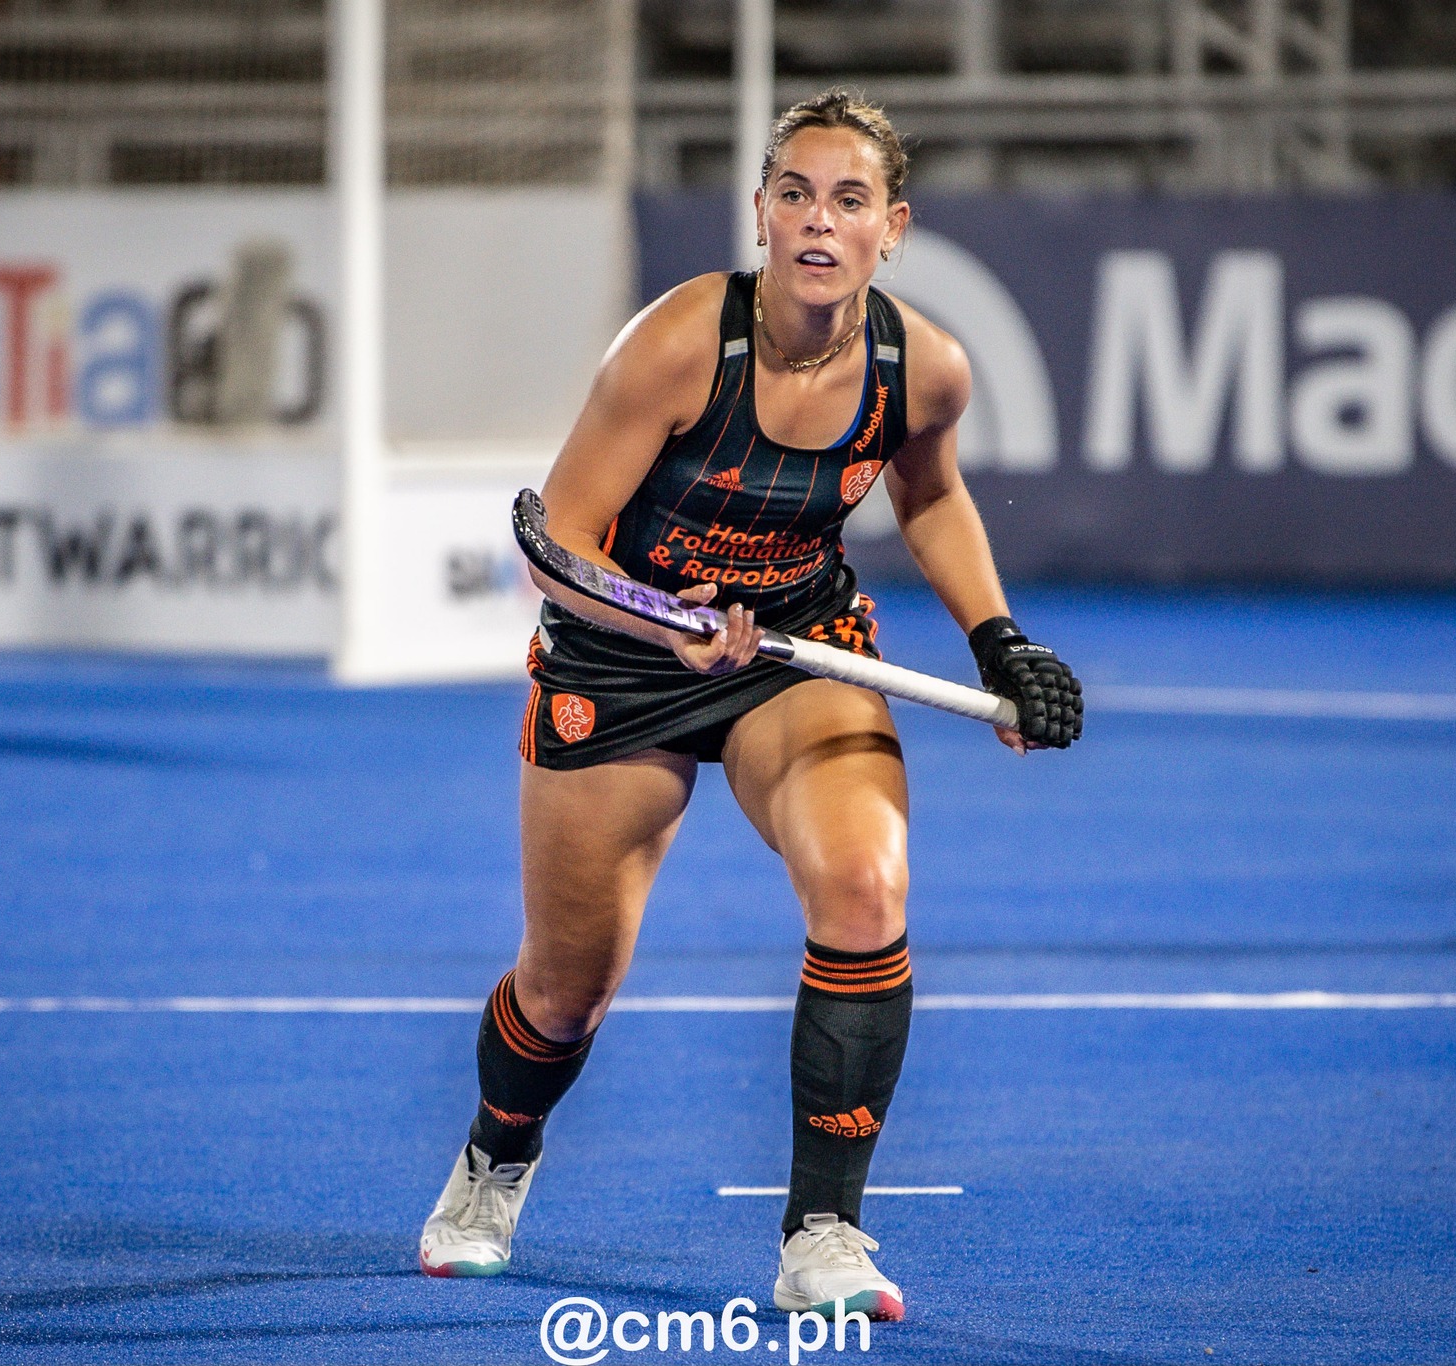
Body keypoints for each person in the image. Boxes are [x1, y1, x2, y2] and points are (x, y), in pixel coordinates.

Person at [418, 90, 1081, 1321]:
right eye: (794, 194)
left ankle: (822, 1229)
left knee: (865, 887)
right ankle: (495, 1155)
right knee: (564, 991)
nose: (818, 221)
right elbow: (556, 544)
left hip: (793, 647)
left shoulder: (922, 368)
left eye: (848, 199)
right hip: (617, 659)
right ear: (761, 213)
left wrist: (1000, 643)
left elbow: (929, 496)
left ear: (891, 227)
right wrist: (661, 620)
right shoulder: (678, 344)